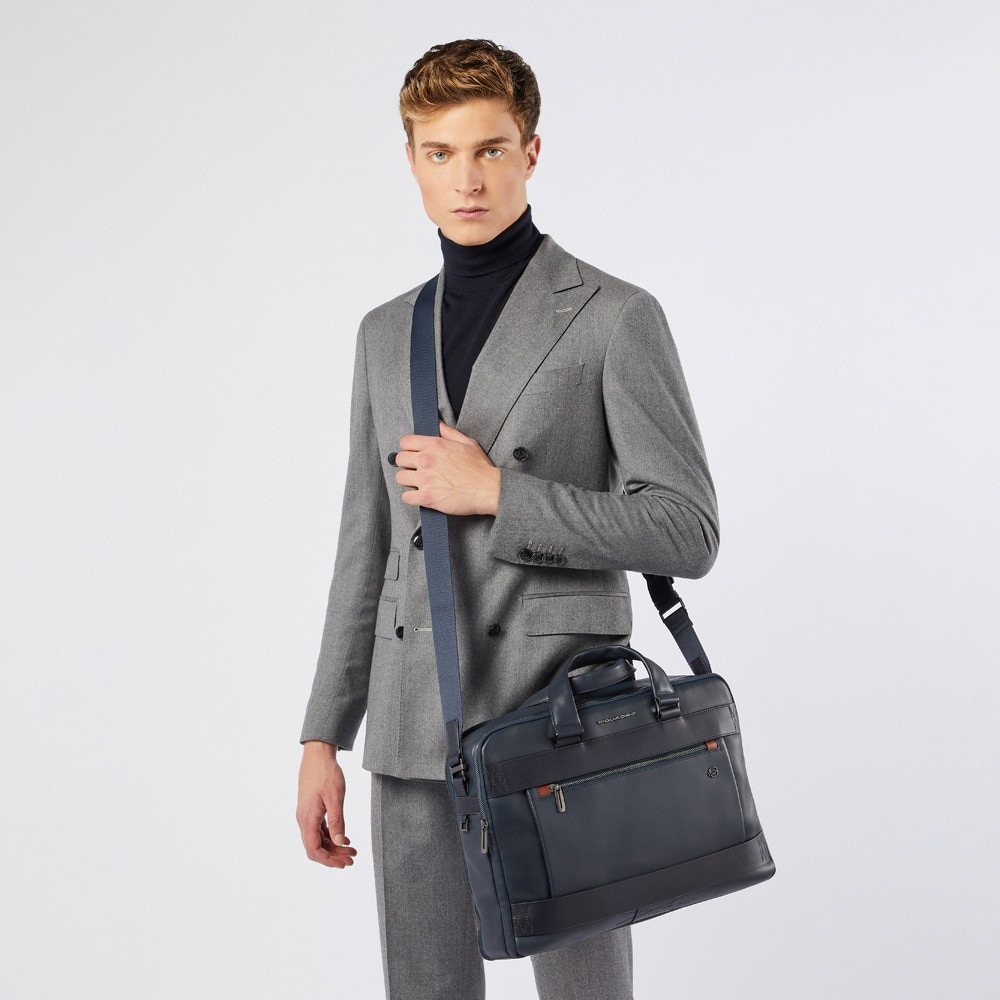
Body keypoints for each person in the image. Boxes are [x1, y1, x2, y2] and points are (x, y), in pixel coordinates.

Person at [296, 38, 719, 1000]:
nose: (468, 180)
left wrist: (498, 494)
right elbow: (366, 549)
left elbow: (686, 530)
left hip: (565, 720)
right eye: (441, 153)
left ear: (531, 152)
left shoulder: (615, 316)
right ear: (412, 160)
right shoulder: (384, 334)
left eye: (490, 149)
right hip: (414, 727)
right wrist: (324, 733)